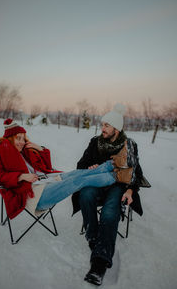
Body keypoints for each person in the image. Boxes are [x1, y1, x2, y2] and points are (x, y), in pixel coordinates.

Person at [0, 118, 136, 221]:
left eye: (23, 138)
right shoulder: (2, 152)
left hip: (46, 182)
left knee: (77, 174)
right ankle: (117, 174)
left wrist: (37, 147)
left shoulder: (24, 152)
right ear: (9, 139)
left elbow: (46, 165)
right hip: (34, 195)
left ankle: (115, 164)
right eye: (18, 138)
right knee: (79, 181)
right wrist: (21, 176)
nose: (22, 142)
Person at [71, 104, 150, 286]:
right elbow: (80, 165)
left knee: (110, 211)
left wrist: (131, 190)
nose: (103, 128)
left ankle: (98, 264)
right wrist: (89, 168)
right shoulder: (95, 143)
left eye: (107, 125)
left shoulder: (129, 145)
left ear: (116, 128)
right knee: (85, 194)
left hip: (118, 187)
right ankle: (93, 237)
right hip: (97, 184)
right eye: (102, 124)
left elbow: (136, 173)